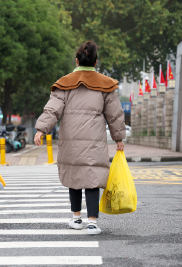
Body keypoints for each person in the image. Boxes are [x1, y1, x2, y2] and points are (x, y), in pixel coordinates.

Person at [34, 41, 125, 235]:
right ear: (96, 62)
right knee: (92, 176)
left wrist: (41, 129)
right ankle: (92, 222)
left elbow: (52, 109)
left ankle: (76, 218)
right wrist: (119, 138)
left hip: (70, 140)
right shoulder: (106, 85)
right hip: (94, 141)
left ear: (77, 60)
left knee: (74, 175)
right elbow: (115, 115)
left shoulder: (64, 83)